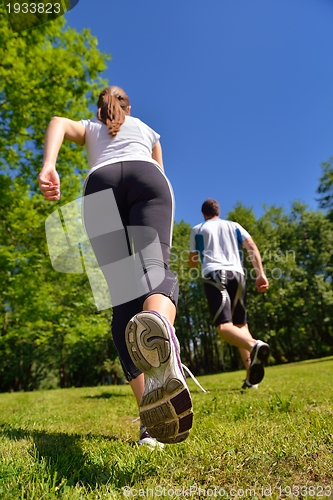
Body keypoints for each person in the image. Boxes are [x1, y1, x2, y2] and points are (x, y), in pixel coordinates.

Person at [38, 85, 193, 446]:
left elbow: (58, 122)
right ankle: (159, 325)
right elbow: (159, 169)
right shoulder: (147, 130)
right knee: (154, 270)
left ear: (98, 109)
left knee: (123, 300)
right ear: (129, 106)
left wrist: (50, 165)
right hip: (147, 179)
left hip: (99, 186)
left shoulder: (91, 127)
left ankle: (149, 422)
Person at [188, 198, 270, 388]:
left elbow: (192, 261)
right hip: (238, 275)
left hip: (215, 275)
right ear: (218, 211)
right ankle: (251, 379)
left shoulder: (198, 229)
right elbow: (252, 247)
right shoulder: (234, 226)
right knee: (241, 326)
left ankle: (255, 346)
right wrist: (261, 275)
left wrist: (193, 261)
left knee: (224, 328)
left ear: (203, 213)